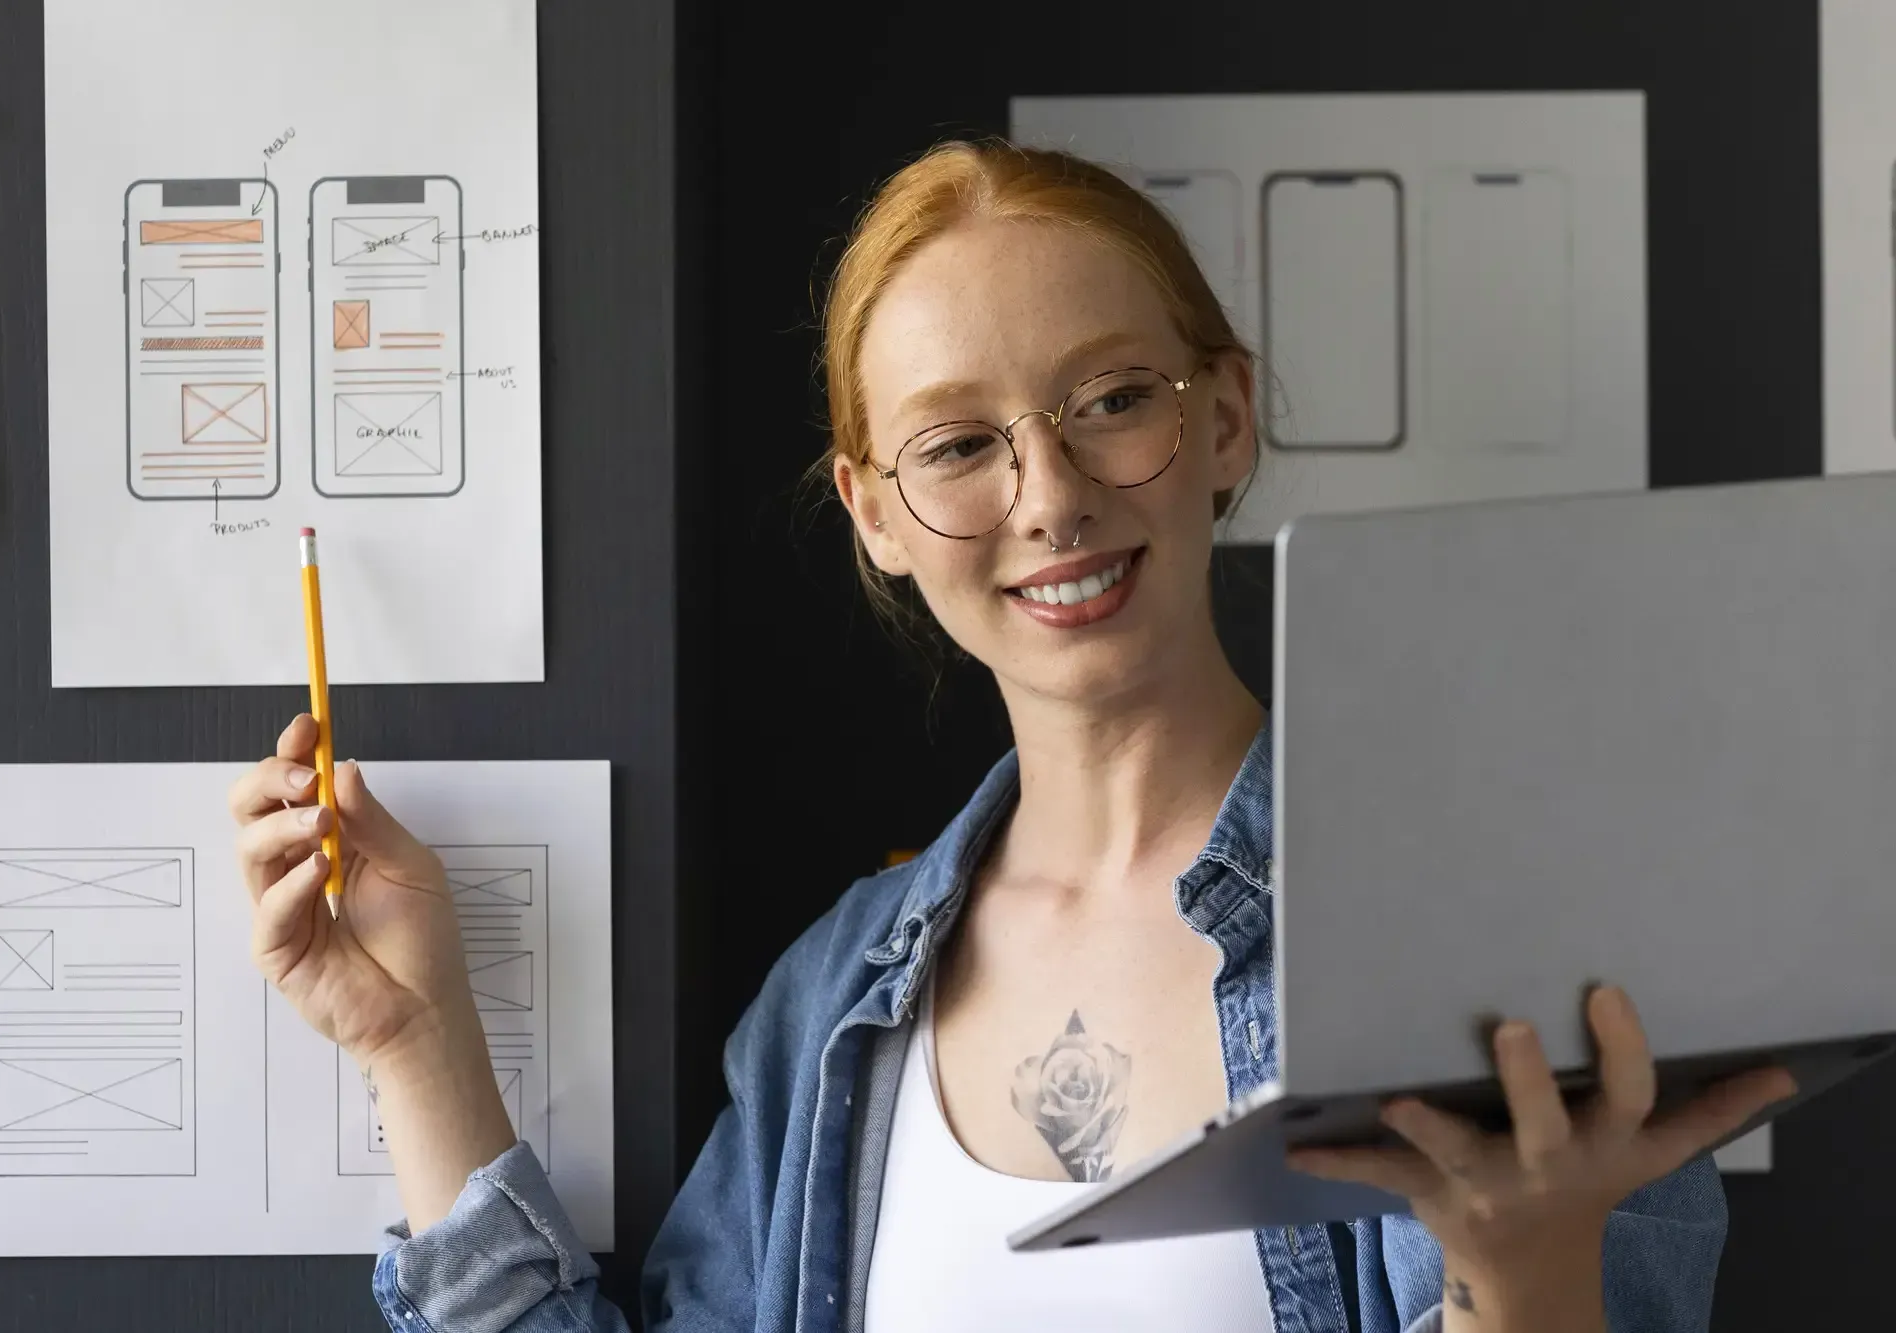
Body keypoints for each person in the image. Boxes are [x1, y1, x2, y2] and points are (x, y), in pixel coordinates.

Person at [229, 139, 1794, 1333]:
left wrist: (1525, 1280)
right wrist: (414, 1041)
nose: (1048, 497)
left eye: (1114, 399)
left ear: (1227, 418)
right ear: (878, 516)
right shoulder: (831, 1001)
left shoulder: (1496, 939)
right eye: (960, 444)